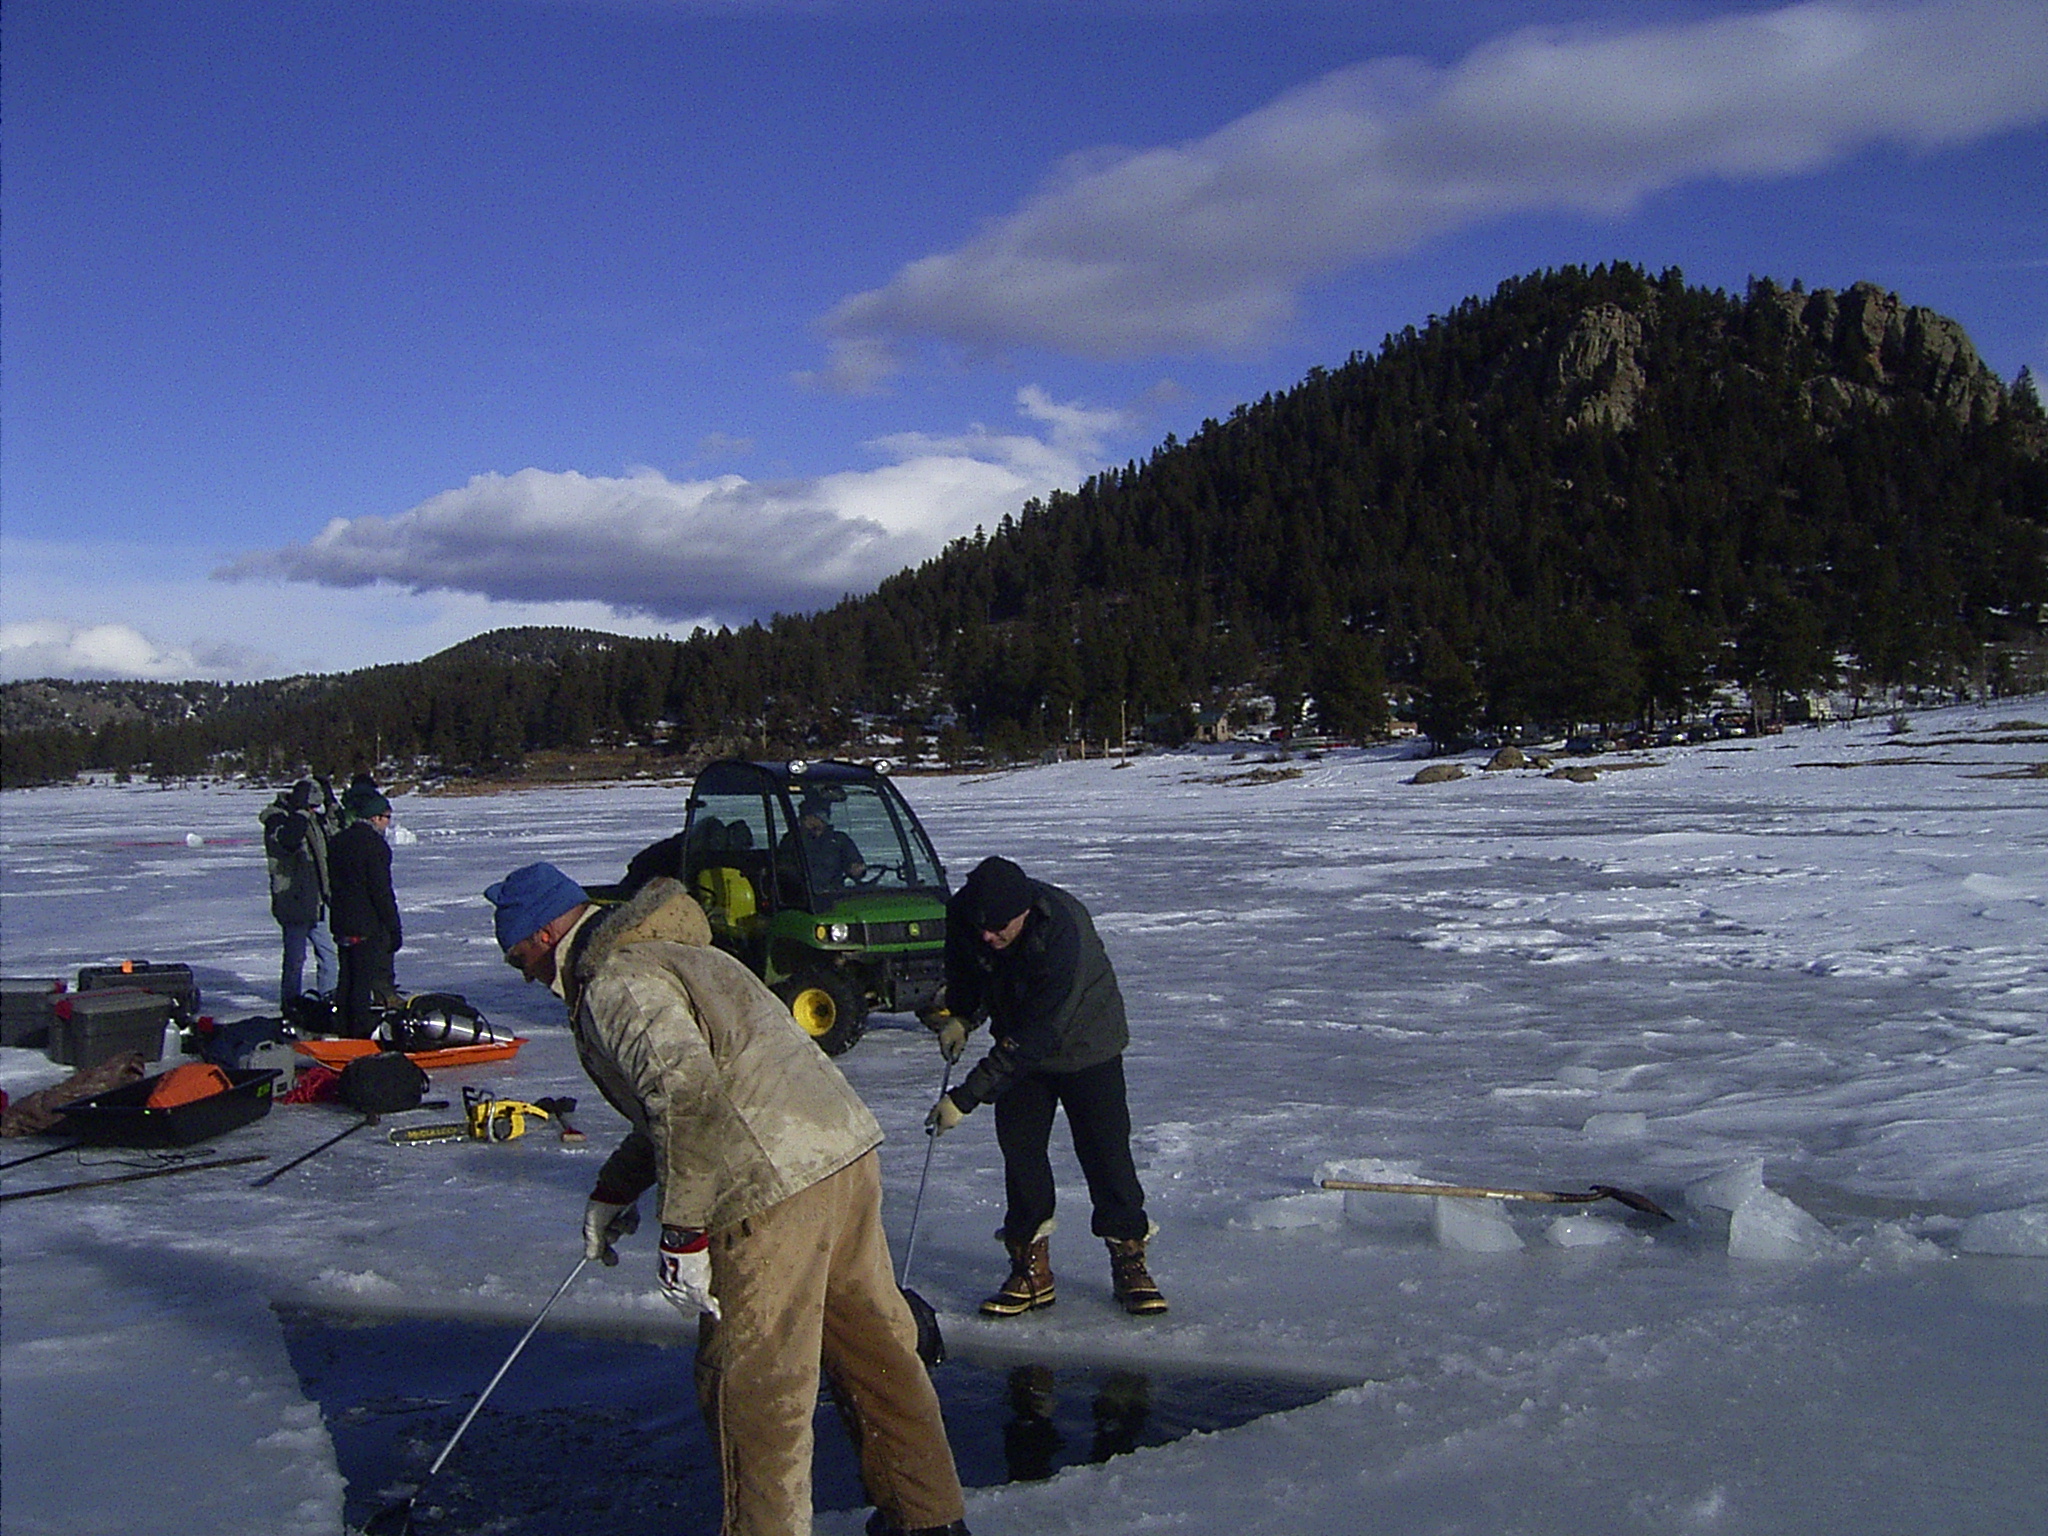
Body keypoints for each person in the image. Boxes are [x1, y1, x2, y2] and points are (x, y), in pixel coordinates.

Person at [485, 862, 969, 1536]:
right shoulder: (676, 952)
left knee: (753, 1386)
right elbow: (698, 1091)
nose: (522, 973)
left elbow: (687, 1099)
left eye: (517, 955)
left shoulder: (617, 981)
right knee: (875, 1350)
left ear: (542, 933)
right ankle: (928, 1520)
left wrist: (683, 1232)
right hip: (839, 1156)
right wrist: (617, 1186)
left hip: (767, 1187)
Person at [923, 856, 1167, 1318]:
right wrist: (961, 1014)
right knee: (1021, 1149)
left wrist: (964, 1098)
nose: (987, 937)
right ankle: (1030, 1268)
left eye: (998, 928)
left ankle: (1129, 1258)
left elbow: (1038, 1033)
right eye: (981, 927)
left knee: (1105, 1151)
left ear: (1025, 913)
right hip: (1021, 1036)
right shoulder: (969, 917)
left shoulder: (1063, 931)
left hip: (1084, 1042)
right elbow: (968, 970)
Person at [326, 790, 401, 1037]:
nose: (388, 823)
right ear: (375, 818)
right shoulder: (374, 846)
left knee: (345, 976)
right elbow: (381, 890)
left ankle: (341, 1026)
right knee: (362, 980)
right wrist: (393, 926)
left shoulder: (337, 841)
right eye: (387, 817)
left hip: (341, 919)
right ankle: (357, 1032)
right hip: (367, 923)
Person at [258, 779, 336, 1009]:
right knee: (295, 959)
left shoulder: (313, 821)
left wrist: (332, 805)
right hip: (292, 899)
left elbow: (335, 833)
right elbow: (287, 842)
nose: (313, 811)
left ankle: (328, 1000)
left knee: (329, 956)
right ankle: (290, 1003)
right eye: (311, 806)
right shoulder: (277, 819)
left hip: (318, 899)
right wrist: (300, 813)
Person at [781, 793, 866, 890]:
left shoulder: (839, 840)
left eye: (820, 817)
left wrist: (856, 870)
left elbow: (854, 862)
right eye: (807, 818)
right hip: (804, 894)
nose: (812, 821)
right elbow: (784, 869)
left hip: (833, 894)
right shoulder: (793, 840)